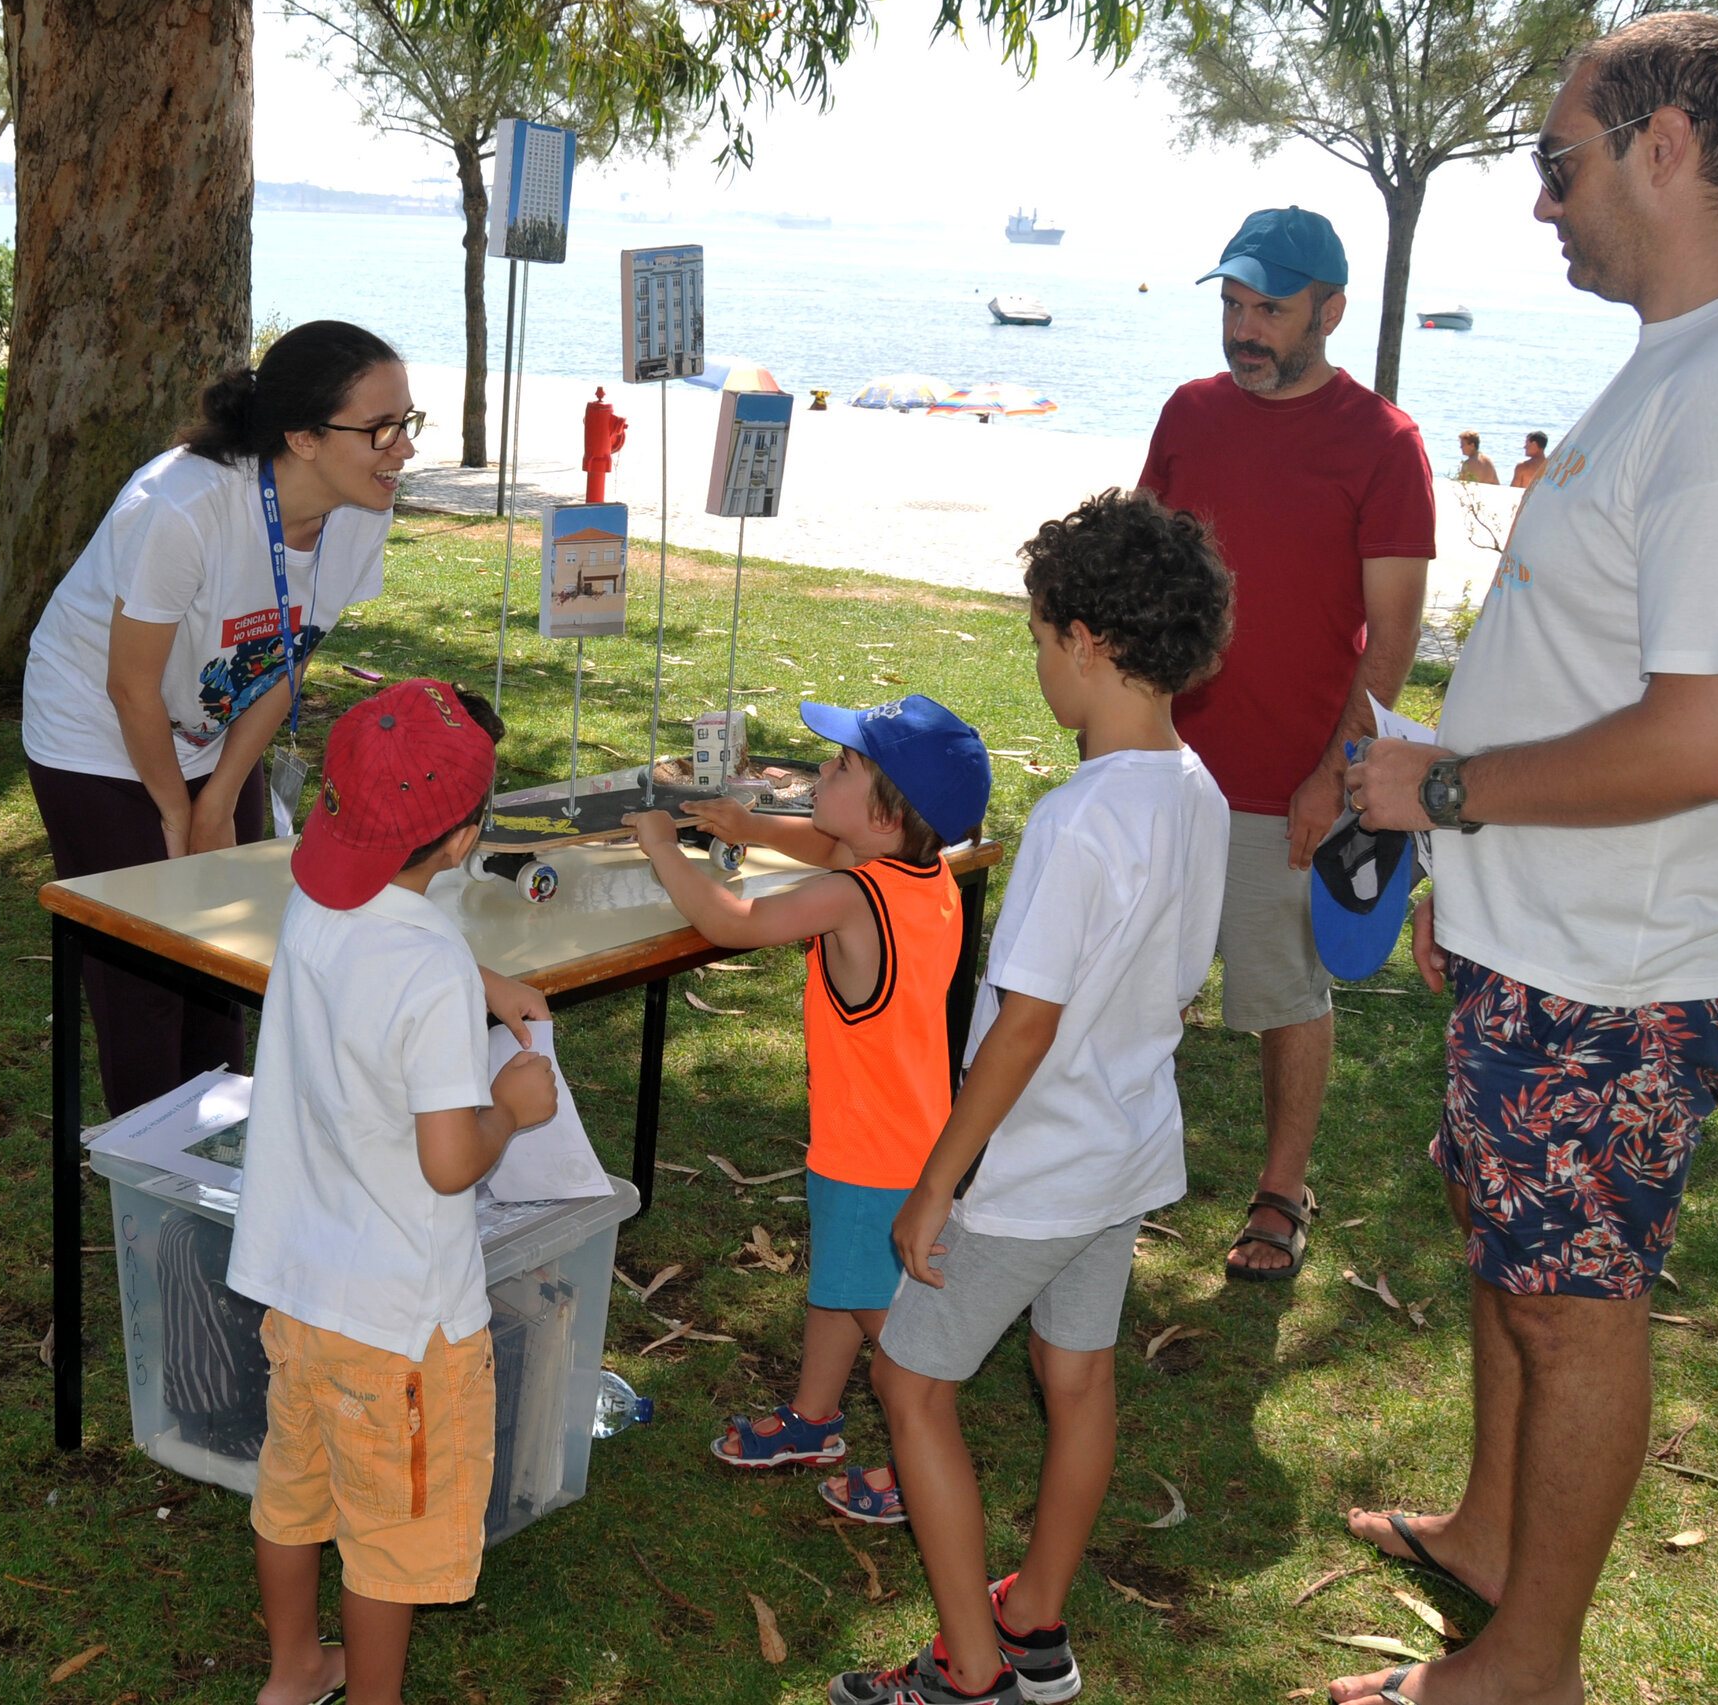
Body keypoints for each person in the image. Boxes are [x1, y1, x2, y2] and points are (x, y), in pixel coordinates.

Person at [1338, 13, 1718, 1705]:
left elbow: (1709, 738)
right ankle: (1494, 1537)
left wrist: (1442, 793)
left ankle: (1531, 1665)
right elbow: (1595, 664)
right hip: (1562, 926)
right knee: (1512, 1247)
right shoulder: (1696, 355)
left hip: (1630, 960)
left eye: (1556, 162)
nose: (1541, 201)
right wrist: (1479, 878)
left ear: (1663, 146)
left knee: (1573, 1300)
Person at [827, 490, 1233, 1705]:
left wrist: (936, 1179)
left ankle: (970, 1669)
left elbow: (1024, 1022)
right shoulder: (1200, 788)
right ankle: (1034, 1618)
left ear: (1087, 641)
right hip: (1123, 1145)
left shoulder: (1075, 819)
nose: (1040, 660)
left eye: (1039, 636)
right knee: (1078, 1373)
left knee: (909, 1382)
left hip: (1031, 1166)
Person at [21, 320, 542, 1116]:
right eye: (380, 428)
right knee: (144, 969)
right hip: (97, 733)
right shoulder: (180, 508)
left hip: (209, 726)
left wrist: (222, 795)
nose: (404, 449)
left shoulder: (361, 509)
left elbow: (286, 659)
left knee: (234, 949)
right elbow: (130, 687)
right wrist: (177, 811)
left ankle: (232, 1152)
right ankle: (153, 1173)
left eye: (408, 422)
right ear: (302, 438)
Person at [225, 679, 559, 1705]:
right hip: (400, 1323)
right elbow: (450, 1160)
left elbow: (381, 953)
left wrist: (481, 978)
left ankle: (294, 1670)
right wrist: (513, 1107)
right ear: (462, 839)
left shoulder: (315, 896)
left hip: (299, 1287)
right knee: (389, 1538)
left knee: (292, 1494)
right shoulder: (429, 969)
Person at [1138, 206, 1437, 1282]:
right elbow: (1144, 575)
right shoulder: (1189, 414)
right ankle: (1112, 1166)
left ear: (1330, 311)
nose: (1243, 328)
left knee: (1284, 997)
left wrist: (1332, 773)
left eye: (1268, 308)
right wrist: (1119, 732)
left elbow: (1392, 633)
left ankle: (1280, 1188)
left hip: (1290, 782)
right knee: (1130, 980)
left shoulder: (1384, 444)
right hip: (1165, 767)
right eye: (1232, 303)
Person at [628, 696, 992, 1519]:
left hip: (870, 1159)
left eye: (842, 766)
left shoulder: (851, 896)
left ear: (886, 816)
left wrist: (663, 849)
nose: (820, 769)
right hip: (905, 1141)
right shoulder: (924, 876)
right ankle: (814, 1419)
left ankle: (920, 1460)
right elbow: (826, 844)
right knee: (843, 1282)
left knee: (897, 1334)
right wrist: (750, 826)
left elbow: (731, 920)